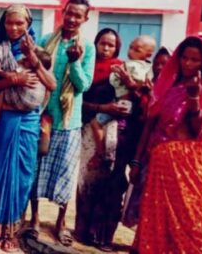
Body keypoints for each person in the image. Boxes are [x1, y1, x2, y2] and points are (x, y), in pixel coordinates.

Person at [129, 36, 202, 254]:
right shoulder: (168, 87)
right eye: (185, 58)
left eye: (195, 60)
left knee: (188, 219)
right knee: (156, 218)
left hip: (187, 165)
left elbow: (198, 130)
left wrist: (194, 98)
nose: (188, 64)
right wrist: (136, 160)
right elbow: (151, 124)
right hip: (160, 163)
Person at [0, 5, 56, 253]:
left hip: (29, 121)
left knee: (22, 176)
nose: (14, 28)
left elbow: (51, 84)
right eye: (9, 23)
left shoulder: (38, 51)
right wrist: (13, 79)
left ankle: (11, 231)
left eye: (19, 24)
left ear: (28, 24)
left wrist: (35, 63)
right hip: (4, 119)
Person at [33, 0, 96, 247]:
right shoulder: (45, 40)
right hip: (43, 117)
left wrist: (75, 62)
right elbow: (35, 71)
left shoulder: (87, 48)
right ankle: (34, 219)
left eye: (77, 15)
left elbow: (83, 85)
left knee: (65, 174)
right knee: (36, 170)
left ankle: (60, 222)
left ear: (85, 19)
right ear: (63, 12)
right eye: (68, 13)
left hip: (69, 121)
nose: (71, 19)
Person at [74, 28, 131, 252]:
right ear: (96, 44)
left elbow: (127, 102)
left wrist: (114, 111)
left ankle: (99, 234)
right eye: (102, 44)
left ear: (117, 48)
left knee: (107, 181)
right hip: (89, 129)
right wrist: (102, 108)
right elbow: (80, 101)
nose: (106, 48)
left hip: (114, 130)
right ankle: (80, 230)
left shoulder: (121, 69)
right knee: (86, 179)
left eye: (111, 45)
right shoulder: (87, 66)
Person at [121, 46, 170, 229]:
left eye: (164, 64)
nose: (159, 67)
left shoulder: (171, 90)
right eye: (157, 63)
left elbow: (155, 114)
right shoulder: (147, 83)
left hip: (156, 144)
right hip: (138, 138)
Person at [90, 35, 156, 147]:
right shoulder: (132, 64)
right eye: (130, 47)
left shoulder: (136, 67)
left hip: (121, 104)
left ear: (148, 55)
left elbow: (140, 83)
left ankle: (100, 153)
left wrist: (129, 82)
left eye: (136, 50)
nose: (130, 51)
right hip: (117, 102)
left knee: (96, 123)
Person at [0, 45, 52, 121]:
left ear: (33, 63)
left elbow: (10, 75)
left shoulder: (24, 69)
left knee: (2, 90)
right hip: (33, 106)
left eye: (28, 60)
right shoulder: (40, 74)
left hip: (24, 101)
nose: (24, 59)